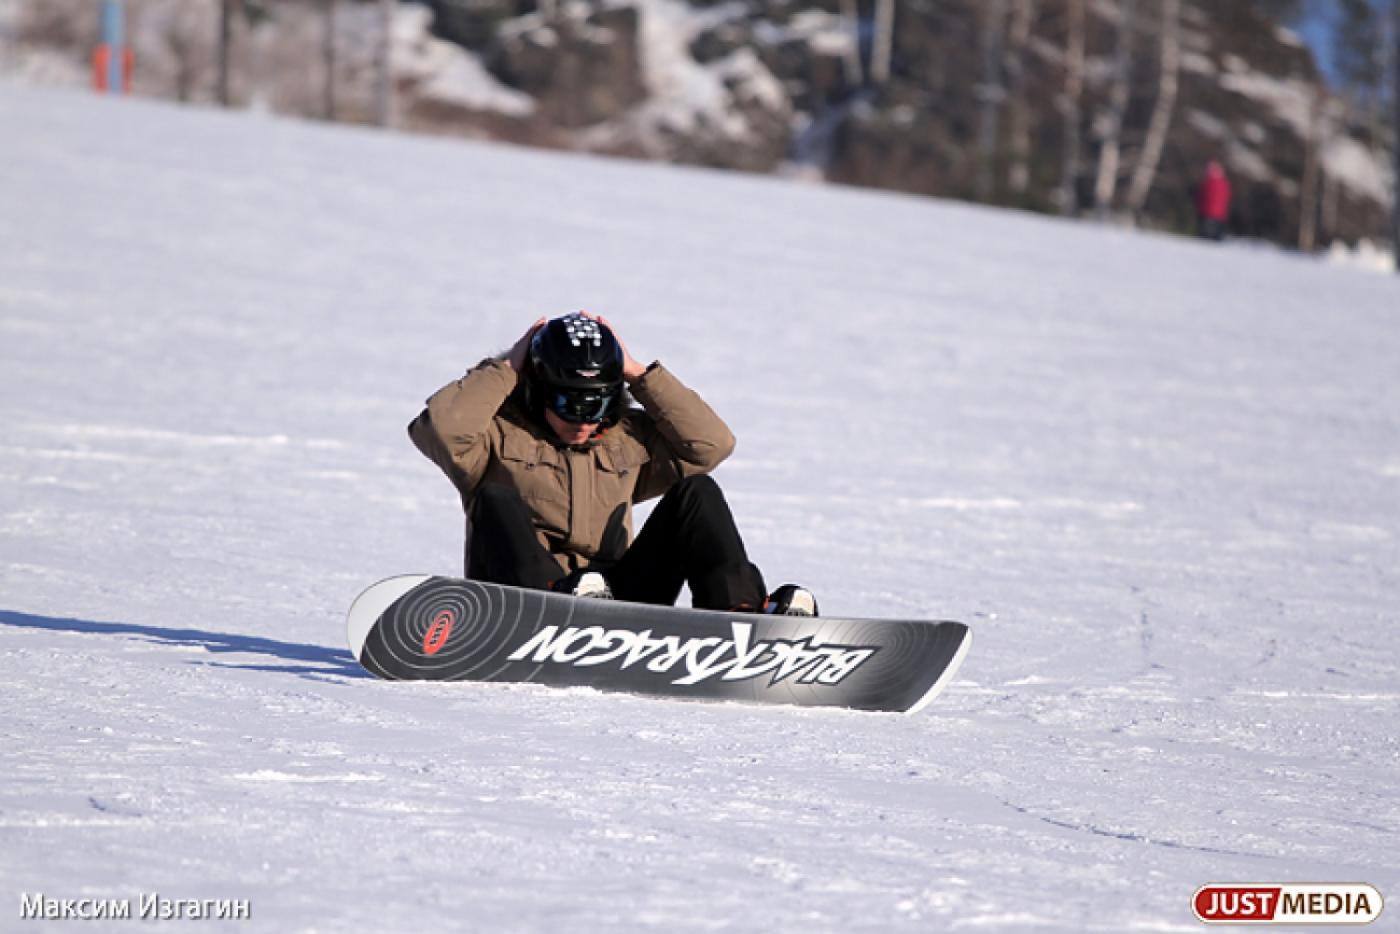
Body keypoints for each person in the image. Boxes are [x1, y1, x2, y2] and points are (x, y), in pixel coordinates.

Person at [407, 312, 817, 616]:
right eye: (568, 403)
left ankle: (741, 616)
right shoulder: (494, 436)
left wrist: (640, 374)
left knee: (698, 492)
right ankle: (555, 603)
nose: (583, 420)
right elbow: (442, 428)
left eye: (598, 404)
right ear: (538, 391)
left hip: (617, 601)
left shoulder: (628, 438)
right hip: (530, 603)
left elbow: (711, 445)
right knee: (494, 497)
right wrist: (509, 367)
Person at [1195, 159, 1231, 242]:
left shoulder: (1208, 182)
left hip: (1208, 214)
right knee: (1214, 239)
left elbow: (1200, 197)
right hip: (1219, 215)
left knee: (1205, 238)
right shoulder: (1224, 183)